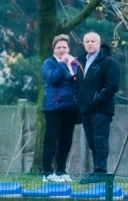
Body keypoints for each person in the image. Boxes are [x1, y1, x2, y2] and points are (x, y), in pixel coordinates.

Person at [76, 32, 119, 183]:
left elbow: (112, 85)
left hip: (101, 110)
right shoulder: (80, 61)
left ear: (99, 43)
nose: (89, 43)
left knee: (100, 140)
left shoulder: (108, 62)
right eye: (87, 41)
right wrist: (79, 101)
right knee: (92, 141)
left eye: (93, 41)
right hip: (85, 110)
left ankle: (101, 171)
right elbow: (78, 85)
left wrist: (95, 100)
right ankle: (97, 171)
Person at [41, 35, 80, 183]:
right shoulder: (49, 63)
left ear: (69, 48)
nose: (62, 50)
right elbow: (53, 79)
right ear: (54, 49)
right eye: (59, 47)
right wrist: (63, 64)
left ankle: (61, 171)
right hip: (54, 108)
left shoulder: (75, 63)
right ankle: (47, 172)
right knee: (51, 141)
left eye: (64, 47)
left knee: (66, 141)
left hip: (70, 108)